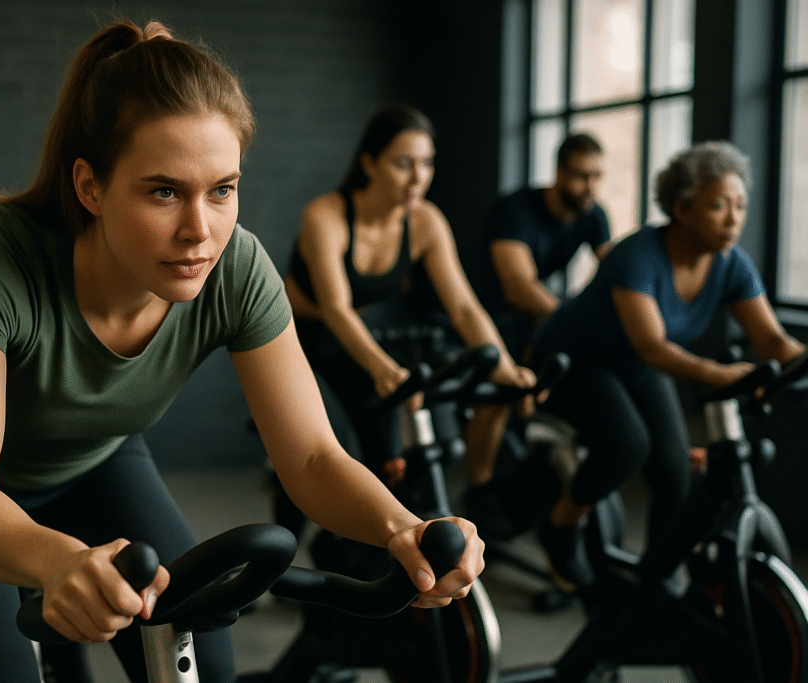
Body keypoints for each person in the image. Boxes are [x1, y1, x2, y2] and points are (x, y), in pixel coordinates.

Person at [0, 22, 485, 683]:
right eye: (164, 191)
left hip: (91, 459)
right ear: (90, 187)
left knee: (203, 658)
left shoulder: (237, 268)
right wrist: (56, 561)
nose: (200, 232)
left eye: (222, 190)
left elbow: (310, 456)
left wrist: (401, 527)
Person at [529, 140, 804, 591]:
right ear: (682, 208)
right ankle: (559, 528)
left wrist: (801, 365)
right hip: (574, 358)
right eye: (718, 205)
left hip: (634, 364)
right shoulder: (637, 256)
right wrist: (722, 376)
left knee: (675, 469)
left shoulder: (731, 264)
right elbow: (654, 347)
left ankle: (657, 580)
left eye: (740, 206)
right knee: (627, 445)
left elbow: (773, 340)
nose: (734, 219)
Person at [284, 104, 536, 517]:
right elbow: (336, 309)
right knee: (321, 451)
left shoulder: (425, 222)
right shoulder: (325, 216)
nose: (419, 177)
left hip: (358, 333)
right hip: (301, 336)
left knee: (397, 455)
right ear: (369, 163)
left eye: (427, 163)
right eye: (404, 164)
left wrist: (504, 366)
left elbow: (463, 307)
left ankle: (377, 532)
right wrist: (384, 370)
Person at [466, 133, 614, 523]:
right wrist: (574, 320)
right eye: (581, 176)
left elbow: (617, 276)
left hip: (533, 317)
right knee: (499, 396)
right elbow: (518, 286)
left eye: (596, 176)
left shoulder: (592, 214)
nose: (589, 186)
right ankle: (481, 490)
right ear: (559, 173)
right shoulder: (515, 210)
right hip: (488, 315)